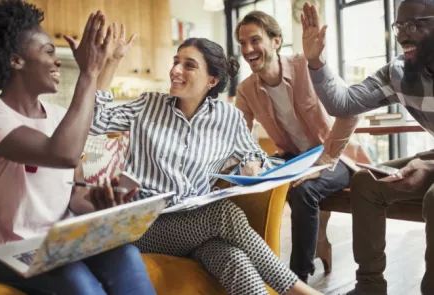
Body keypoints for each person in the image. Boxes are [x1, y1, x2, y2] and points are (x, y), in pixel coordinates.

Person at [91, 35, 323, 295]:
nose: (175, 70)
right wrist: (112, 61)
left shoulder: (229, 118)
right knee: (223, 213)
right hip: (144, 226)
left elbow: (254, 154)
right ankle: (299, 290)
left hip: (194, 226)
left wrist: (252, 164)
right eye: (176, 61)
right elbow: (95, 121)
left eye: (189, 65)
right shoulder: (148, 105)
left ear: (211, 81)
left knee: (233, 259)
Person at [0, 1, 155, 295]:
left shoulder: (60, 118)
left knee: (126, 256)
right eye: (48, 51)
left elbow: (74, 193)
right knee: (77, 281)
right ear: (16, 60)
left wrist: (97, 203)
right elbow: (62, 154)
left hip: (55, 244)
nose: (57, 60)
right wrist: (89, 72)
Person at [302, 0, 434, 294]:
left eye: (415, 24)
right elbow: (344, 103)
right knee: (366, 182)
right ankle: (369, 286)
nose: (403, 36)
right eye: (399, 26)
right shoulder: (398, 72)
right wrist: (316, 62)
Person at [234, 10, 371, 283]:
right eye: (242, 43)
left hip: (335, 157)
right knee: (248, 186)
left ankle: (297, 278)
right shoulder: (246, 89)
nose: (248, 49)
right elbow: (237, 135)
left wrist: (325, 161)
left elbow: (350, 109)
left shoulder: (306, 67)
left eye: (255, 40)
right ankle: (254, 270)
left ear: (276, 41)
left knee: (304, 190)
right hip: (294, 159)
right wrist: (249, 160)